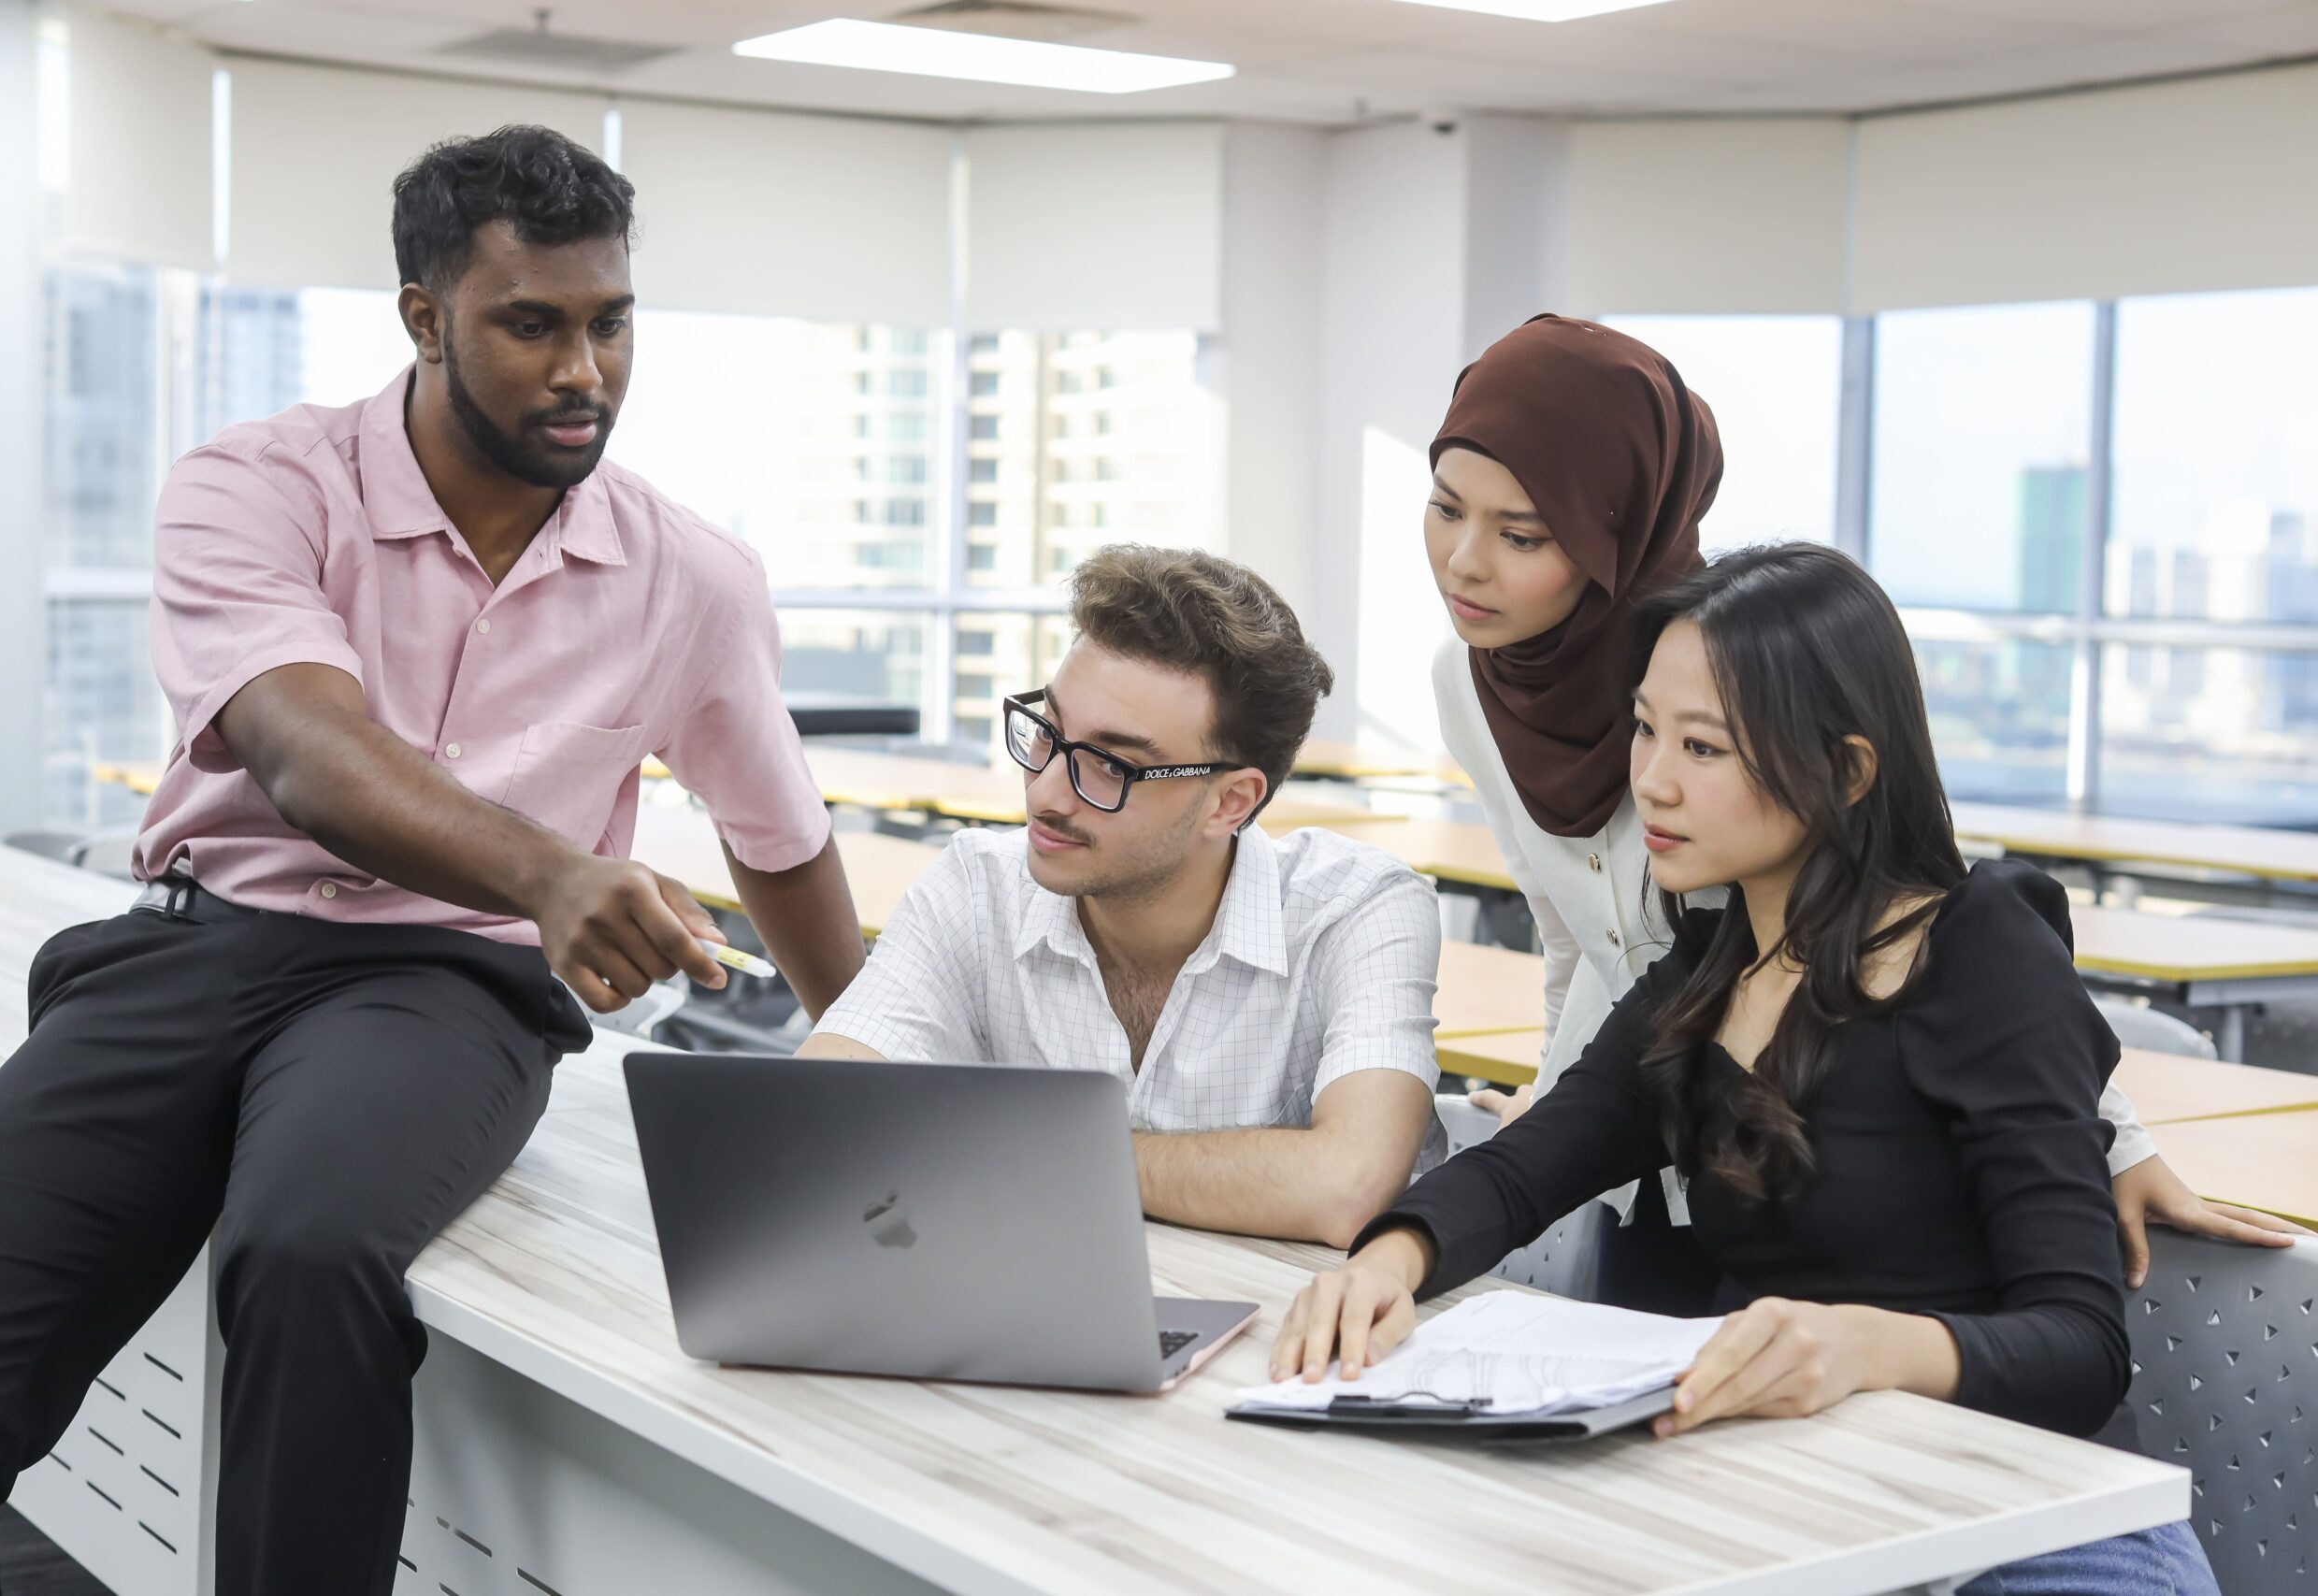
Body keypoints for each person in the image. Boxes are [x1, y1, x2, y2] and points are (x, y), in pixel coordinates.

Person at [0, 126, 868, 1594]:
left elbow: (781, 842)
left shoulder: (691, 577)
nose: (586, 371)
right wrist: (552, 870)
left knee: (308, 1252)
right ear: (426, 317)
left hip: (444, 983)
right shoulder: (258, 486)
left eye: (612, 323)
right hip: (194, 943)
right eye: (532, 325)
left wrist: (892, 1089)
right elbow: (310, 754)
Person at [1277, 542, 2220, 1594]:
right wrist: (1386, 1261)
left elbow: (2082, 1350)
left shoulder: (1984, 952)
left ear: (1848, 771)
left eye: (1704, 747)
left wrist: (1865, 1348)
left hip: (2042, 1522)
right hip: (1805, 1501)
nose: (1651, 780)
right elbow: (1518, 1170)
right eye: (1644, 729)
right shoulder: (1704, 974)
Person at [1424, 314, 2299, 1286]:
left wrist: (2115, 1142)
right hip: (1658, 1097)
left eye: (1522, 534)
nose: (1464, 561)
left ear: (1615, 530)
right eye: (1445, 508)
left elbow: (1942, 927)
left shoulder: (1727, 665)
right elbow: (1565, 931)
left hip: (1824, 1152)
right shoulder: (1469, 684)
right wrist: (1560, 1104)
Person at [800, 544, 1445, 1248]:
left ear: (1230, 802)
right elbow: (816, 1119)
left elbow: (1346, 1185)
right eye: (1047, 733)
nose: (1045, 794)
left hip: (1297, 1317)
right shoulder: (976, 887)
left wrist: (1024, 1150)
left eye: (1109, 765)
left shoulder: (1358, 908)